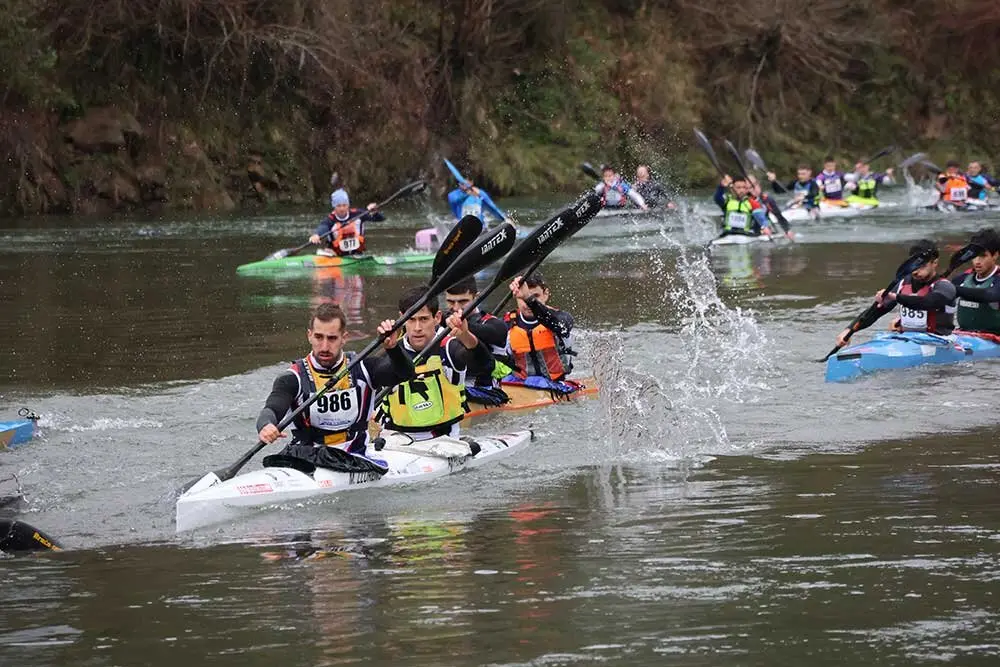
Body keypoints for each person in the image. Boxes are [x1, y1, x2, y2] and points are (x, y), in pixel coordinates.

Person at [255, 303, 414, 471]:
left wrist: (393, 349)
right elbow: (272, 409)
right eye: (318, 337)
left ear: (344, 338)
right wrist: (266, 425)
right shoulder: (292, 378)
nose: (324, 346)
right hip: (305, 458)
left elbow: (405, 373)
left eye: (332, 338)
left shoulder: (364, 367)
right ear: (309, 336)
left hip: (356, 455)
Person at [378, 285, 495, 440]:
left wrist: (466, 336)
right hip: (396, 439)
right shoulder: (390, 350)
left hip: (443, 440)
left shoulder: (449, 347)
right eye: (411, 320)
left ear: (437, 317)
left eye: (424, 319)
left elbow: (486, 365)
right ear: (401, 318)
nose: (417, 328)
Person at [834, 239, 958, 347]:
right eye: (913, 265)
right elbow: (876, 311)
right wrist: (850, 330)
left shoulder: (945, 286)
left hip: (938, 342)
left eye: (922, 265)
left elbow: (929, 302)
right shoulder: (903, 283)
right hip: (907, 340)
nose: (915, 271)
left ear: (934, 263)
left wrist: (897, 297)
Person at [444, 277, 514, 406]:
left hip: (488, 393)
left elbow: (491, 333)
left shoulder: (496, 325)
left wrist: (462, 327)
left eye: (463, 301)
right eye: (450, 302)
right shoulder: (441, 321)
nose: (456, 308)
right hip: (453, 391)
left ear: (476, 297)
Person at [504, 272, 577, 382]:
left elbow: (560, 327)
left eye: (535, 296)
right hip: (521, 385)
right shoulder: (506, 324)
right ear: (516, 296)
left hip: (557, 383)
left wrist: (528, 298)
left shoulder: (562, 318)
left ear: (546, 294)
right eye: (522, 298)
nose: (527, 303)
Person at [951, 227, 1000, 335]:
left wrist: (954, 289)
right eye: (974, 255)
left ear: (995, 255)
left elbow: (991, 295)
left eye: (983, 256)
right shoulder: (963, 278)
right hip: (965, 336)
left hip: (994, 338)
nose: (977, 261)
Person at [309, 189, 384, 256]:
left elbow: (380, 219)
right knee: (324, 251)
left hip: (357, 255)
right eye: (338, 206)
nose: (342, 209)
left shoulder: (359, 214)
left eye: (344, 205)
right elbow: (323, 227)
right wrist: (316, 235)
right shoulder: (330, 219)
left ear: (348, 205)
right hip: (336, 255)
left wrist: (375, 212)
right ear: (334, 206)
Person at [748, 174, 794, 239]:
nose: (754, 189)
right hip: (750, 231)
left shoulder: (767, 199)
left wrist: (787, 230)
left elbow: (779, 217)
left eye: (755, 185)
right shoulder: (745, 201)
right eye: (750, 187)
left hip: (765, 231)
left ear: (759, 184)